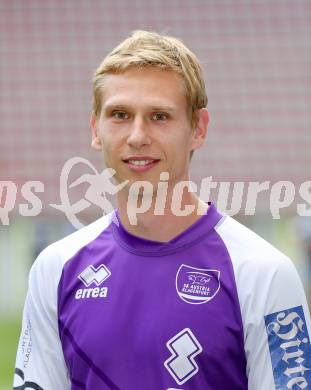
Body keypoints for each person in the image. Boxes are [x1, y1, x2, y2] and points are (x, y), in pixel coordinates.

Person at [14, 30, 311, 390]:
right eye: (120, 114)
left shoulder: (264, 275)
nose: (137, 136)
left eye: (159, 116)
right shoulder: (56, 269)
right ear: (96, 128)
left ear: (198, 129)